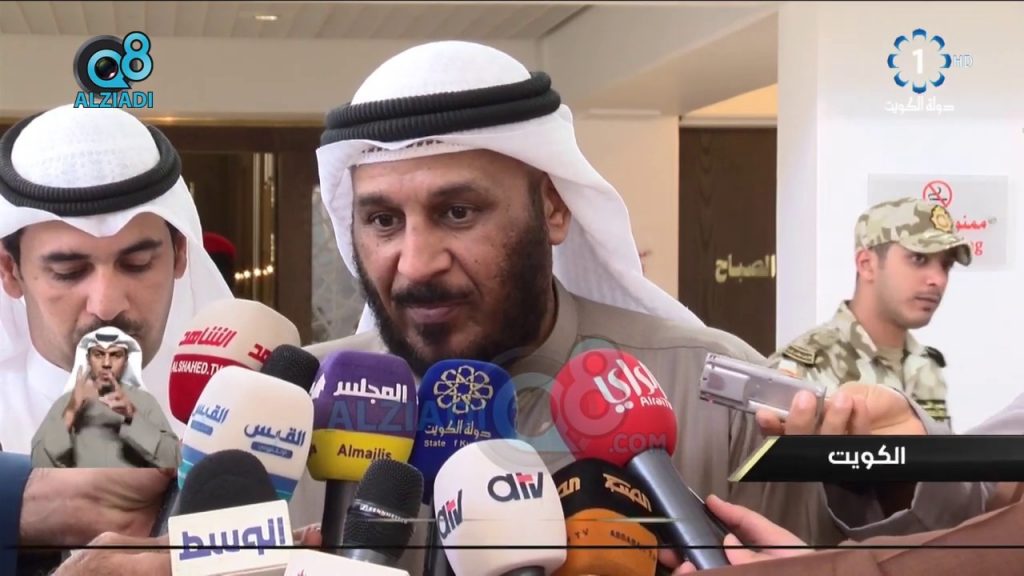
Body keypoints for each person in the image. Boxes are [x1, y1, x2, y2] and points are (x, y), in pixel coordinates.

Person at [295, 39, 865, 573]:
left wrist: (891, 478)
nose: (417, 264)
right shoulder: (293, 412)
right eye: (383, 221)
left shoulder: (709, 396)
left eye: (458, 212)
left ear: (554, 207)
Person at [0, 104, 234, 454]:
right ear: (10, 270)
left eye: (137, 264)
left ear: (179, 254)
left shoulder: (232, 417)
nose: (106, 306)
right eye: (68, 272)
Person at [768, 197, 972, 425]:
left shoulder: (927, 366)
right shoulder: (801, 369)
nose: (938, 279)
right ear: (866, 264)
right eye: (918, 259)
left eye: (946, 265)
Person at [31, 326, 180, 469]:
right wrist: (71, 412)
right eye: (98, 355)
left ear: (126, 361)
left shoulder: (144, 401)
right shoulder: (69, 401)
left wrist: (133, 416)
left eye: (115, 355)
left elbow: (174, 459)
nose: (106, 364)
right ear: (88, 359)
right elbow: (38, 460)